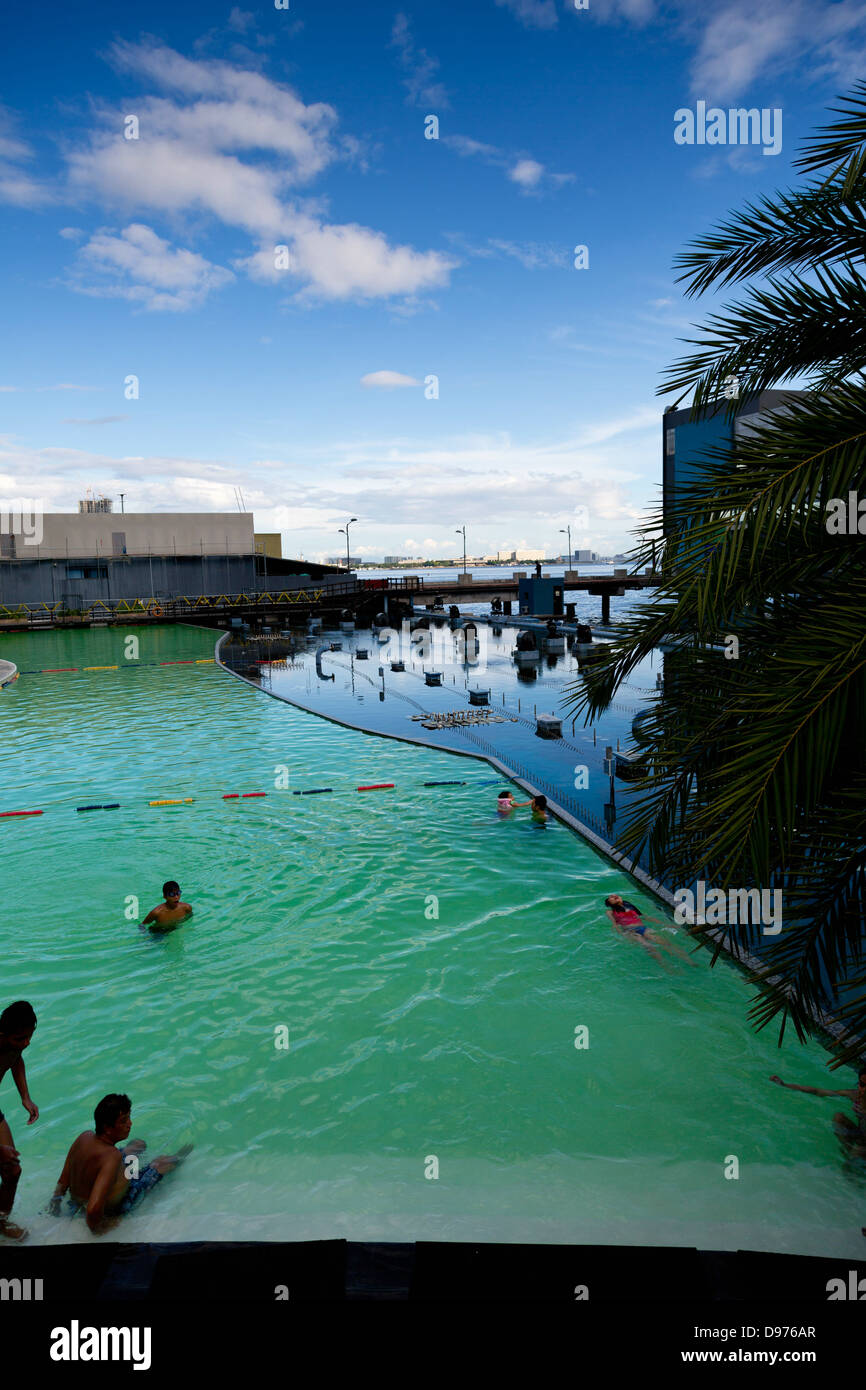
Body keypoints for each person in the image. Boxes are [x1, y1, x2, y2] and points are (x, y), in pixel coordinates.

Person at [49, 1093, 192, 1235]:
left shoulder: (84, 1137)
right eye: (123, 1121)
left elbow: (63, 1182)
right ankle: (181, 1156)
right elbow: (93, 1209)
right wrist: (100, 1228)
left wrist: (54, 1206)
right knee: (160, 1163)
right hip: (119, 1203)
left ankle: (131, 1154)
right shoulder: (112, 1157)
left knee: (138, 1145)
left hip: (79, 1201)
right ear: (107, 1128)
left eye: (129, 1118)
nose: (130, 1124)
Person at [0, 1000, 39, 1241]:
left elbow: (16, 1060)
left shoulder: (13, 1043)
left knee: (12, 1170)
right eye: (19, 1039)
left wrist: (25, 1097)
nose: (25, 1044)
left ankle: (1, 1220)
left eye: (28, 1038)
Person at [770, 1069, 866, 1156]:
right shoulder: (855, 1095)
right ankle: (848, 1151)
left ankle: (855, 1156)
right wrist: (784, 1085)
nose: (864, 1089)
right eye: (862, 1084)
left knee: (856, 1157)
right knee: (839, 1117)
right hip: (861, 1135)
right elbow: (817, 1091)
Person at [604, 894, 694, 964]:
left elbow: (645, 917)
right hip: (630, 931)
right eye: (610, 897)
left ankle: (688, 960)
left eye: (614, 896)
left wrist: (665, 924)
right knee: (649, 946)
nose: (613, 896)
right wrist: (622, 936)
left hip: (643, 928)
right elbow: (615, 925)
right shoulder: (610, 912)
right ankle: (665, 965)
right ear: (609, 903)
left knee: (665, 942)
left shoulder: (629, 906)